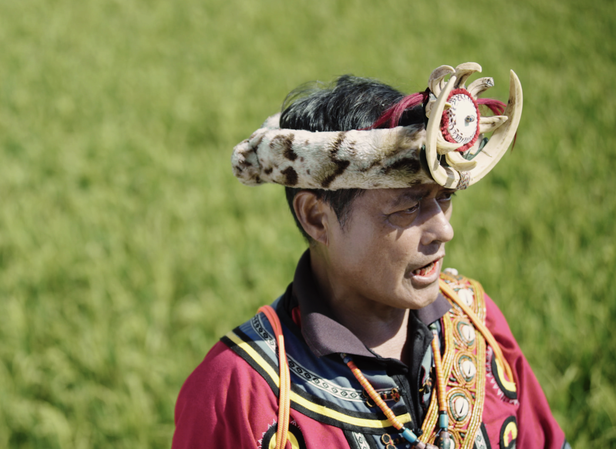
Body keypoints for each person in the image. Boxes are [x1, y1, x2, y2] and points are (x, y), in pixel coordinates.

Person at [172, 63, 569, 449]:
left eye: (444, 197)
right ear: (316, 218)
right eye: (407, 207)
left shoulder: (478, 323)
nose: (443, 230)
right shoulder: (239, 390)